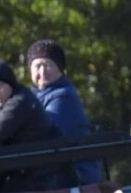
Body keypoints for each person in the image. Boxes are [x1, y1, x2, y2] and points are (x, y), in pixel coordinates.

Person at [0, 59, 67, 193]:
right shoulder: (6, 105)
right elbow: (2, 147)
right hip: (30, 174)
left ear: (10, 84)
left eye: (0, 85)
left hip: (46, 179)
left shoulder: (19, 103)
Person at [26, 38, 101, 185]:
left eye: (48, 65)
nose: (42, 71)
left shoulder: (64, 96)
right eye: (38, 66)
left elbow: (44, 136)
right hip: (52, 169)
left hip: (74, 173)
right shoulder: (30, 96)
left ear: (60, 69)